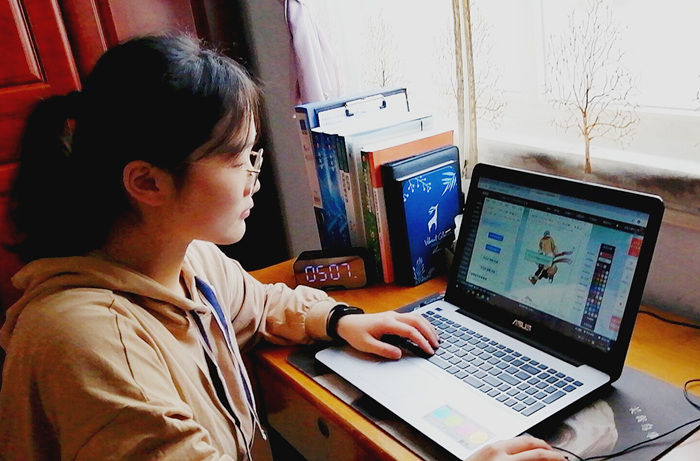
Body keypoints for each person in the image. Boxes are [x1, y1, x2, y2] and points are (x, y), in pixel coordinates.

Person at [0, 35, 565, 460]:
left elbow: (260, 302)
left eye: (256, 155)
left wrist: (341, 320)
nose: (255, 176)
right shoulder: (95, 343)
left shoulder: (182, 259)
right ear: (147, 182)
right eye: (238, 158)